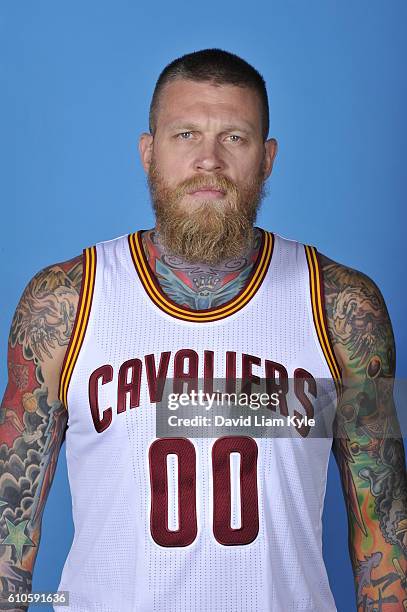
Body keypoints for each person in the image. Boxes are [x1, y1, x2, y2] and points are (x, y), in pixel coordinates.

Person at [0, 48, 406, 612]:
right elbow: (9, 528)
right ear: (149, 152)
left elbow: (384, 528)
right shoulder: (65, 302)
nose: (208, 160)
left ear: (267, 158)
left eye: (234, 138)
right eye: (185, 134)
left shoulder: (343, 307)